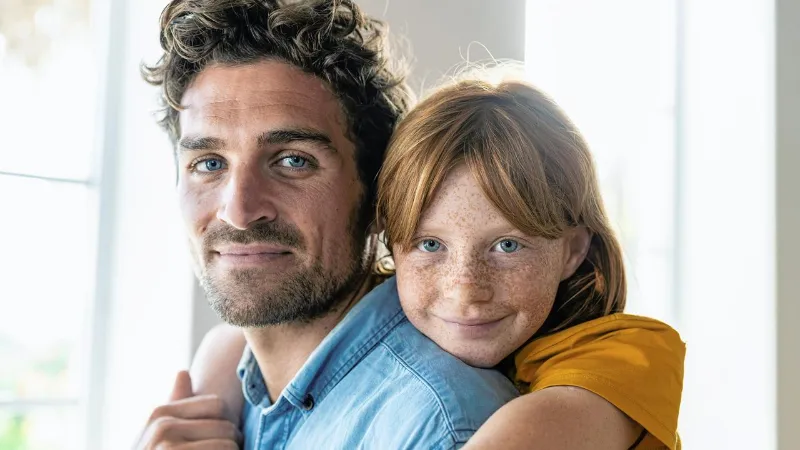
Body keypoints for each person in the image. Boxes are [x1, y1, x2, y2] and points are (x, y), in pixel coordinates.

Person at [192, 73, 686, 449]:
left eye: (507, 246)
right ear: (390, 240)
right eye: (430, 245)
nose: (465, 288)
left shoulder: (623, 358)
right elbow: (230, 342)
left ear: (573, 250)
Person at [134, 0, 522, 449]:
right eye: (208, 163)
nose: (238, 211)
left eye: (293, 160)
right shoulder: (227, 384)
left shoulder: (437, 427)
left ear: (378, 198)